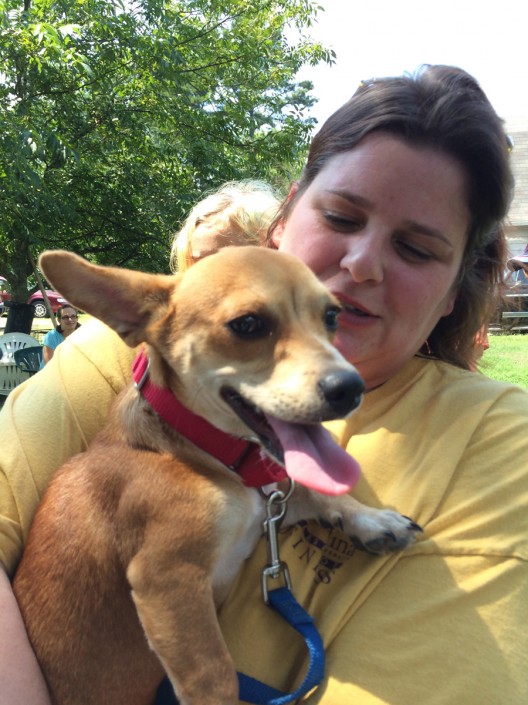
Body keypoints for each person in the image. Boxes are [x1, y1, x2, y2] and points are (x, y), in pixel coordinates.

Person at [1, 65, 527, 705]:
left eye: (417, 249)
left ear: (455, 291)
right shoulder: (122, 372)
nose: (362, 265)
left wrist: (335, 505)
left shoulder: (495, 438)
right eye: (340, 216)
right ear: (283, 220)